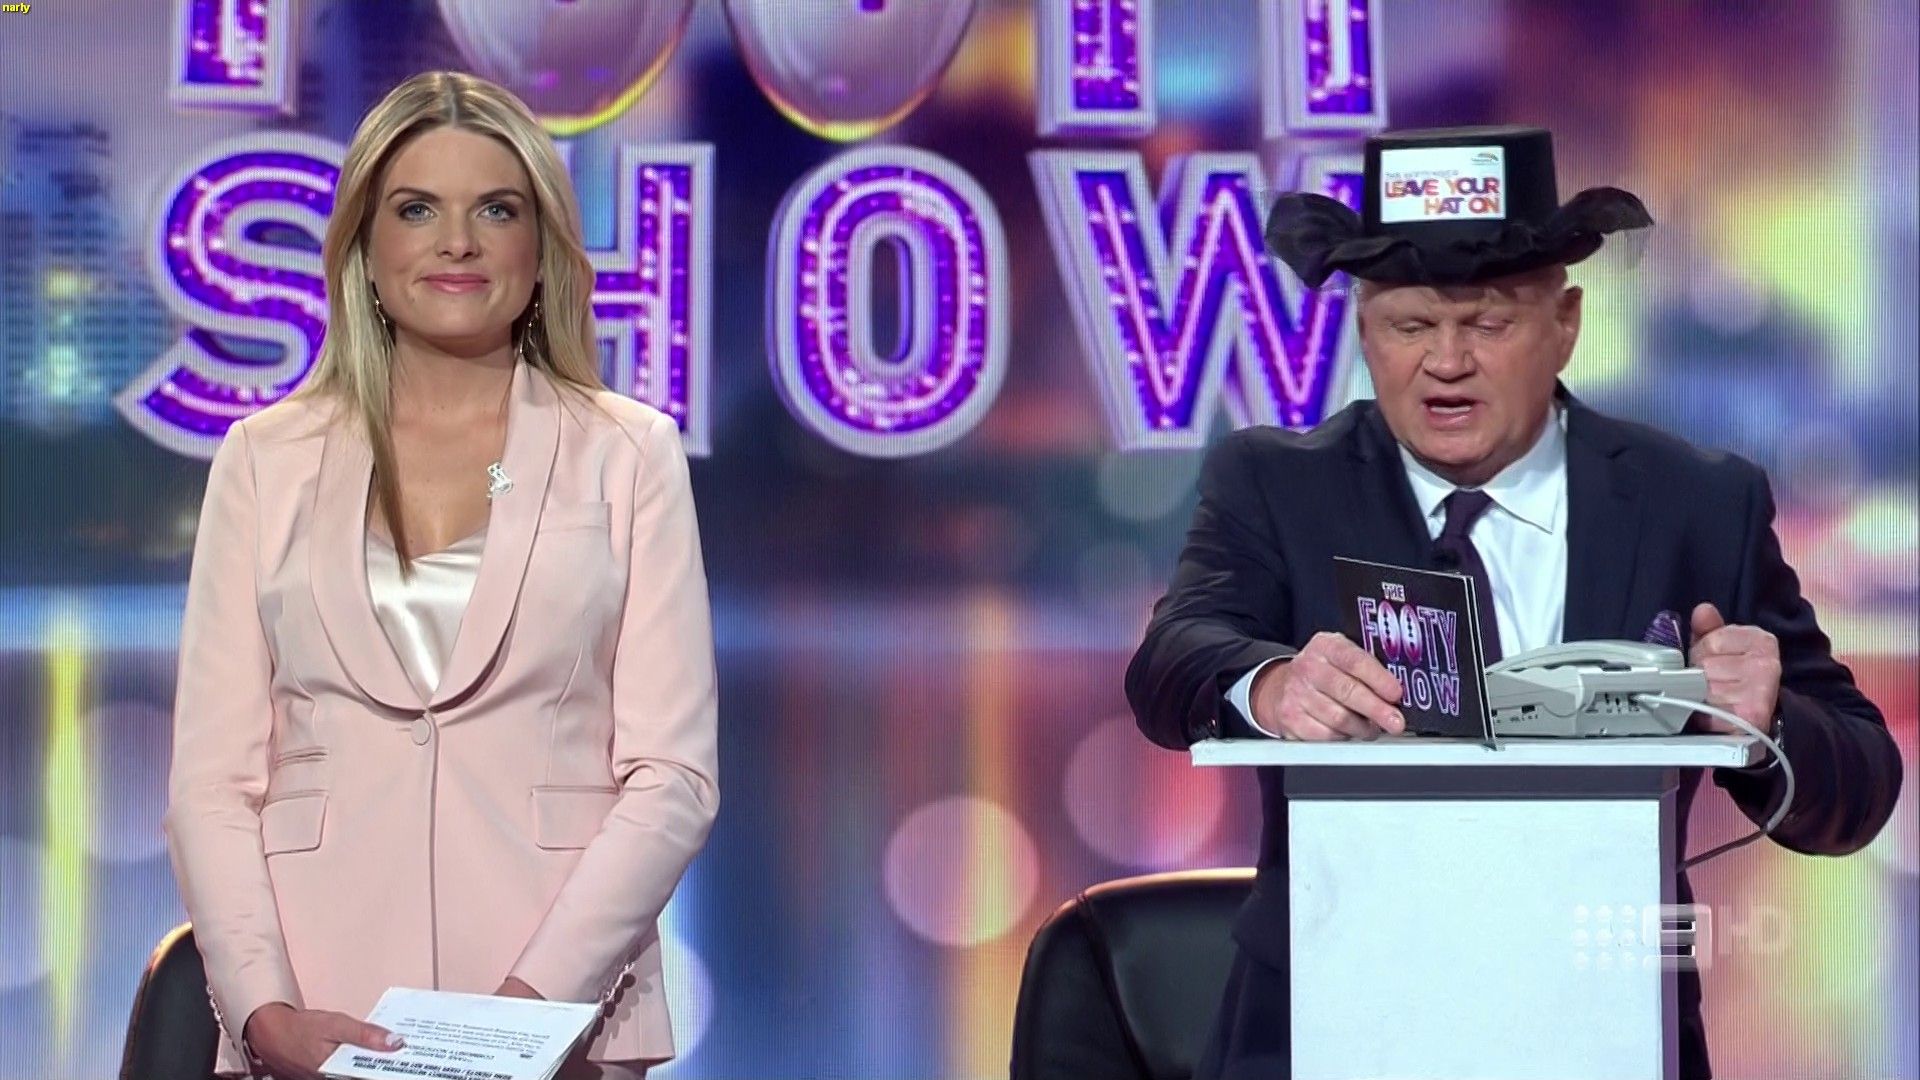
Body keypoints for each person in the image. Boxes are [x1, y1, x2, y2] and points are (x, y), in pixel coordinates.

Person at [1125, 125, 1902, 1079]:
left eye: (1487, 325)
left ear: (1565, 323)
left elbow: (1859, 792)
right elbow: (1170, 664)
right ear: (1364, 329)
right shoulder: (1276, 484)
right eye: (1411, 326)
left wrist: (1767, 720)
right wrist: (1270, 683)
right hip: (1325, 1025)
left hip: (1608, 1027)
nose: (1446, 362)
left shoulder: (1695, 502)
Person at [163, 71, 719, 1080]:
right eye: (417, 209)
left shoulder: (628, 452)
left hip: (568, 1020)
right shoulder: (265, 456)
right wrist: (262, 1011)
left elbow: (672, 777)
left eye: (495, 210)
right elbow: (213, 783)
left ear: (541, 248)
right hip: (319, 1010)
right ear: (364, 249)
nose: (456, 242)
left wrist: (532, 1012)